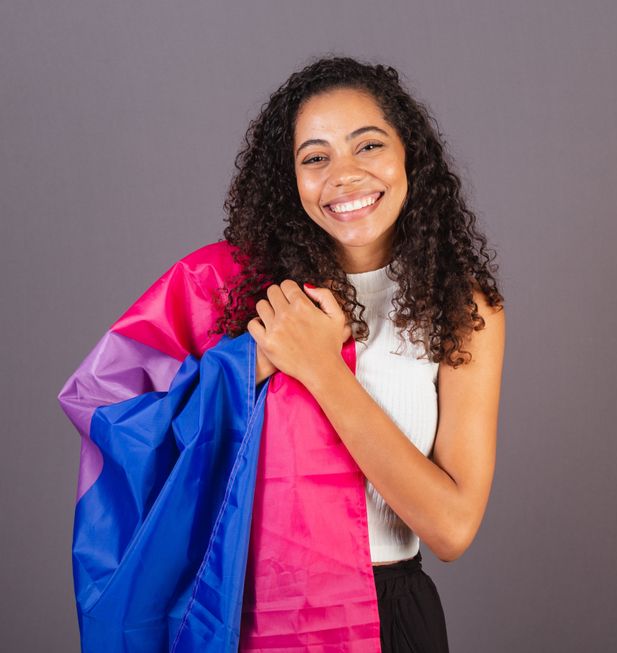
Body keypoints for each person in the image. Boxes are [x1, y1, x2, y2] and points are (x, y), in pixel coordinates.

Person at [209, 55, 506, 653]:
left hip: (388, 613)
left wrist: (321, 369)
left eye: (367, 146)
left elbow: (451, 529)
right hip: (259, 611)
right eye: (315, 158)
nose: (343, 176)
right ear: (288, 181)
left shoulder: (462, 309)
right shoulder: (248, 300)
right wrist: (247, 367)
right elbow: (160, 446)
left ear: (408, 156)